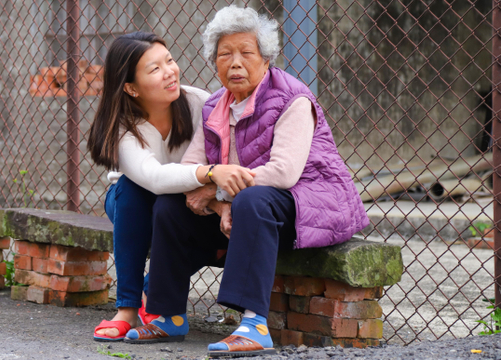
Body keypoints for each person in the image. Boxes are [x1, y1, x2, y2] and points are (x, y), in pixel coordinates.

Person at [124, 6, 369, 357]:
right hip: (248, 208)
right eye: (225, 54)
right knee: (171, 204)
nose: (235, 63)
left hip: (309, 205)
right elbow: (192, 168)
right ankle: (167, 315)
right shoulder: (214, 107)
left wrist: (221, 192)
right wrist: (221, 203)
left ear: (265, 59)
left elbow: (284, 173)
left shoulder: (293, 99)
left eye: (246, 53)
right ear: (214, 62)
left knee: (252, 201)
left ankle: (254, 325)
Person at [87, 31, 255, 341]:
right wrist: (210, 173)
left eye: (170, 61)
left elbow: (230, 158)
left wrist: (216, 199)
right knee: (131, 191)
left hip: (190, 203)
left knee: (183, 214)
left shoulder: (200, 103)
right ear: (130, 88)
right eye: (155, 69)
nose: (170, 72)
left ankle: (153, 294)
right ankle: (127, 306)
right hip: (134, 205)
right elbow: (154, 178)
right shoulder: (122, 125)